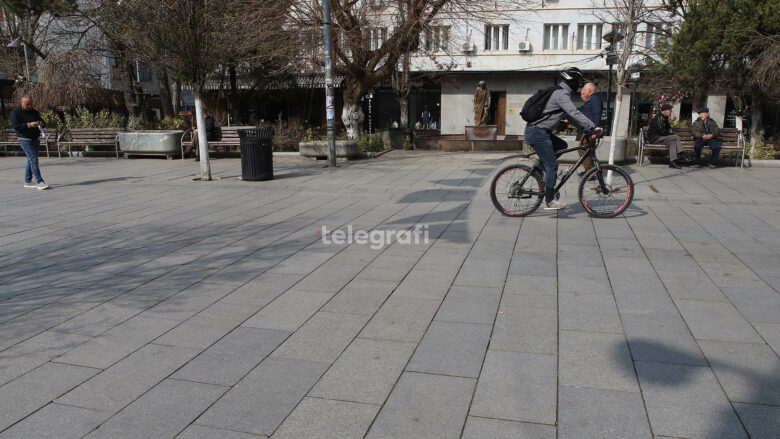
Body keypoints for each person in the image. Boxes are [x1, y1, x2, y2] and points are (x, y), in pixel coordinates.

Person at [524, 67, 602, 210]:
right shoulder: (561, 94)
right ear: (573, 82)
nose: (579, 87)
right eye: (578, 83)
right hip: (537, 132)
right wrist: (592, 127)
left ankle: (540, 169)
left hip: (540, 132)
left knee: (561, 145)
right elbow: (573, 113)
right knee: (552, 164)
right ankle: (549, 200)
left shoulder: (559, 92)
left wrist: (585, 128)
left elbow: (570, 116)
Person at [10, 95, 49, 190]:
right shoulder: (15, 113)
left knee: (30, 159)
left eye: (31, 104)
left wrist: (41, 123)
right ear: (21, 102)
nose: (29, 106)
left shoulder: (34, 112)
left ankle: (27, 181)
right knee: (33, 159)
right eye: (27, 104)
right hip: (24, 139)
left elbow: (43, 122)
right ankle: (39, 181)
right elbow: (16, 126)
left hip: (35, 138)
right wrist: (29, 125)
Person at [647, 104, 688, 169]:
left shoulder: (664, 118)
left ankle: (672, 162)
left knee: (672, 142)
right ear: (665, 111)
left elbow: (668, 127)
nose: (671, 112)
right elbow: (661, 131)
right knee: (675, 137)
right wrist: (669, 132)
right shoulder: (659, 118)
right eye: (670, 110)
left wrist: (670, 129)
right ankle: (681, 154)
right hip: (655, 138)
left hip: (661, 138)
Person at [576, 82, 603, 175]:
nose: (582, 92)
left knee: (583, 149)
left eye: (584, 90)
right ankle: (592, 170)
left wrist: (596, 129)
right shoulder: (591, 100)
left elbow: (597, 114)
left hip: (590, 130)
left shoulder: (595, 99)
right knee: (589, 151)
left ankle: (590, 172)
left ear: (590, 90)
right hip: (588, 130)